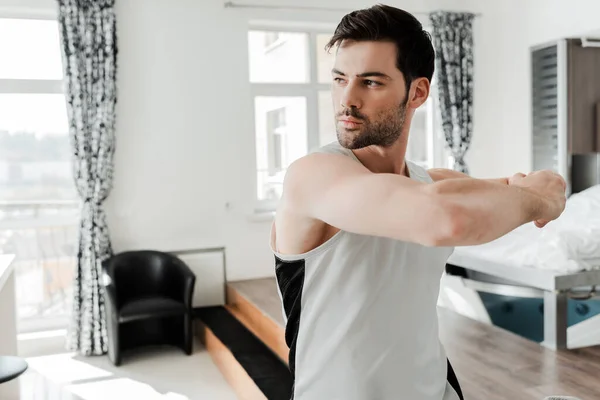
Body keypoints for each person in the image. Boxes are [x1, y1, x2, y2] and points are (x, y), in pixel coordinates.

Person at [269, 4, 567, 400]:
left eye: (370, 82)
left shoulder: (433, 183)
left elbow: (513, 188)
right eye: (340, 79)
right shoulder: (313, 176)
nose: (347, 99)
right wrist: (540, 200)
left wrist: (544, 187)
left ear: (418, 92)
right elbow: (448, 219)